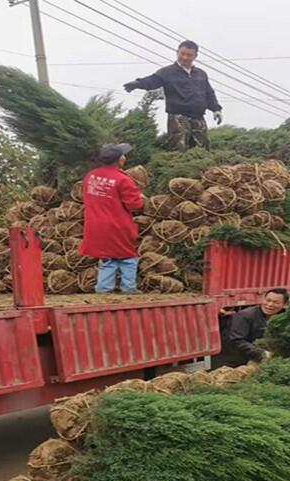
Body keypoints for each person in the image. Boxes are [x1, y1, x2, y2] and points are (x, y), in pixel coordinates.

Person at [124, 40, 222, 151]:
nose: (185, 57)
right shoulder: (167, 72)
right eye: (182, 54)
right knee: (178, 148)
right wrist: (137, 84)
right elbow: (153, 81)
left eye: (189, 55)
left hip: (198, 116)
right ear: (177, 52)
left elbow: (208, 93)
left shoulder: (201, 74)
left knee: (202, 149)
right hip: (178, 117)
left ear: (195, 56)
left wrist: (216, 109)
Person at [80, 143, 145, 294]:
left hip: (95, 225)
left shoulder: (91, 176)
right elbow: (134, 205)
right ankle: (129, 288)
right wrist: (140, 197)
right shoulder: (123, 180)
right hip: (117, 225)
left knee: (107, 258)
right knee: (128, 256)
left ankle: (103, 289)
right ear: (120, 160)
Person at [222, 288, 289, 366]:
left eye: (276, 302)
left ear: (285, 304)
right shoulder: (245, 316)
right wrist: (262, 354)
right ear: (263, 299)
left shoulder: (285, 317)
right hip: (234, 360)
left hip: (258, 359)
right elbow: (236, 340)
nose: (270, 304)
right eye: (268, 300)